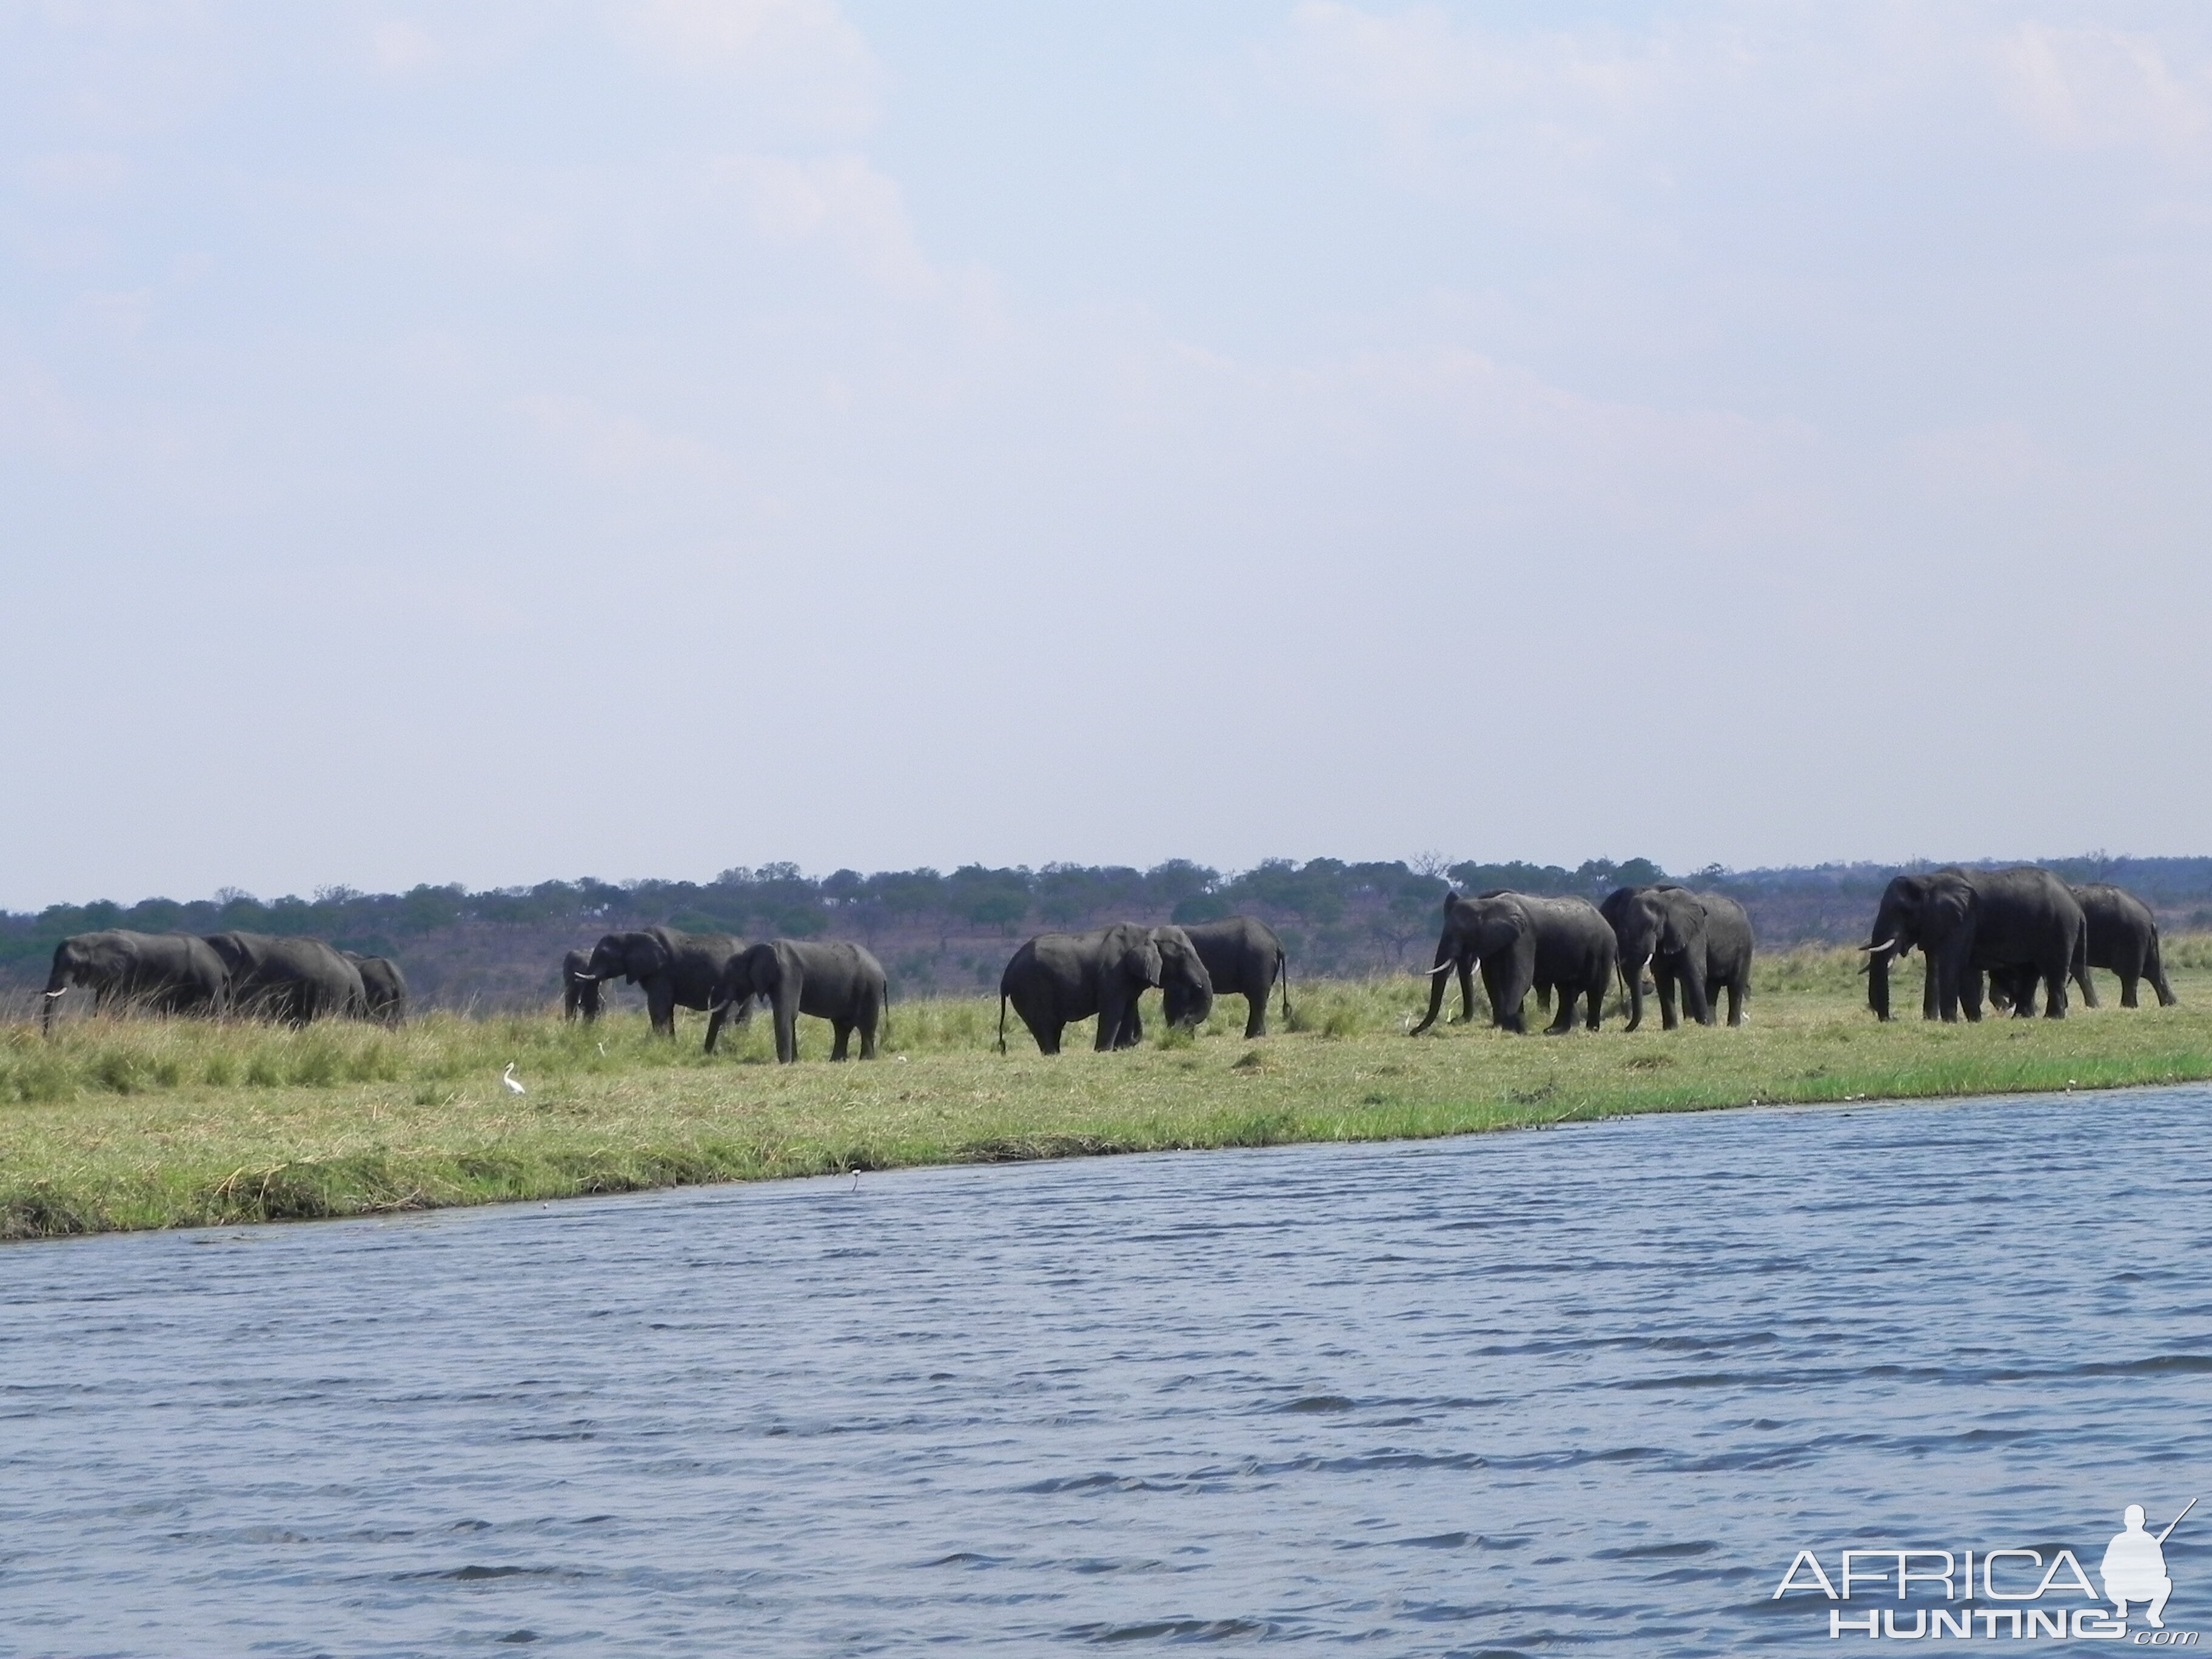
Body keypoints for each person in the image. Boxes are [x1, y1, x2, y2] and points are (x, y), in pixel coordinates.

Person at [2102, 1504, 2173, 1629]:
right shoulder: (2147, 1540)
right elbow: (2162, 1571)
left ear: (2125, 1521)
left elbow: (2105, 1570)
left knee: (2166, 1582)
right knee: (2166, 1583)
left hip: (2128, 1590)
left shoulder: (2119, 1539)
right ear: (2143, 1521)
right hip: (2130, 1589)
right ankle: (2127, 1607)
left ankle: (2136, 1610)